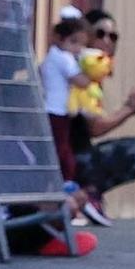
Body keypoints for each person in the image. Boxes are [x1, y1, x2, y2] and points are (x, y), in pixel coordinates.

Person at [67, 8, 135, 225]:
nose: (107, 41)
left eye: (113, 36)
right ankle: (85, 195)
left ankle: (85, 194)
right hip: (63, 160)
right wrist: (130, 107)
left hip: (73, 156)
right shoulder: (77, 73)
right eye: (100, 34)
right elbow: (95, 127)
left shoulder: (90, 74)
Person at [41, 16, 94, 189]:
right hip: (56, 111)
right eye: (73, 42)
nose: (78, 49)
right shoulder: (64, 58)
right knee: (59, 150)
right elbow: (81, 81)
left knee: (61, 148)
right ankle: (62, 183)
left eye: (82, 45)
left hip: (54, 109)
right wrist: (95, 71)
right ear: (59, 38)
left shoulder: (52, 57)